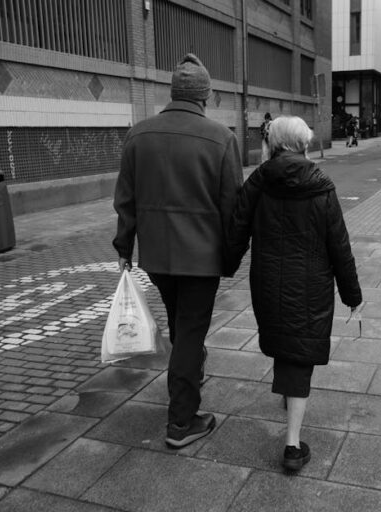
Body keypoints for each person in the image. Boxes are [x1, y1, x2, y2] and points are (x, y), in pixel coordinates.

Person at [112, 53, 243, 449]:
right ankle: (182, 421)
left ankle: (188, 373)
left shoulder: (139, 135)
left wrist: (124, 248)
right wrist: (231, 257)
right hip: (200, 258)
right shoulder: (221, 138)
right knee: (189, 332)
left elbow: (126, 200)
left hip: (157, 256)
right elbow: (232, 208)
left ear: (173, 93)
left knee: (179, 324)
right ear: (205, 96)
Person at [226, 116, 362, 471]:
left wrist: (226, 265)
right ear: (303, 144)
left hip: (268, 281)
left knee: (286, 342)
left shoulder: (258, 181)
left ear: (274, 144)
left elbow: (237, 227)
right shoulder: (321, 185)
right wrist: (352, 294)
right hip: (312, 285)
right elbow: (339, 246)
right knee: (299, 353)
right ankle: (291, 446)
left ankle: (289, 394)